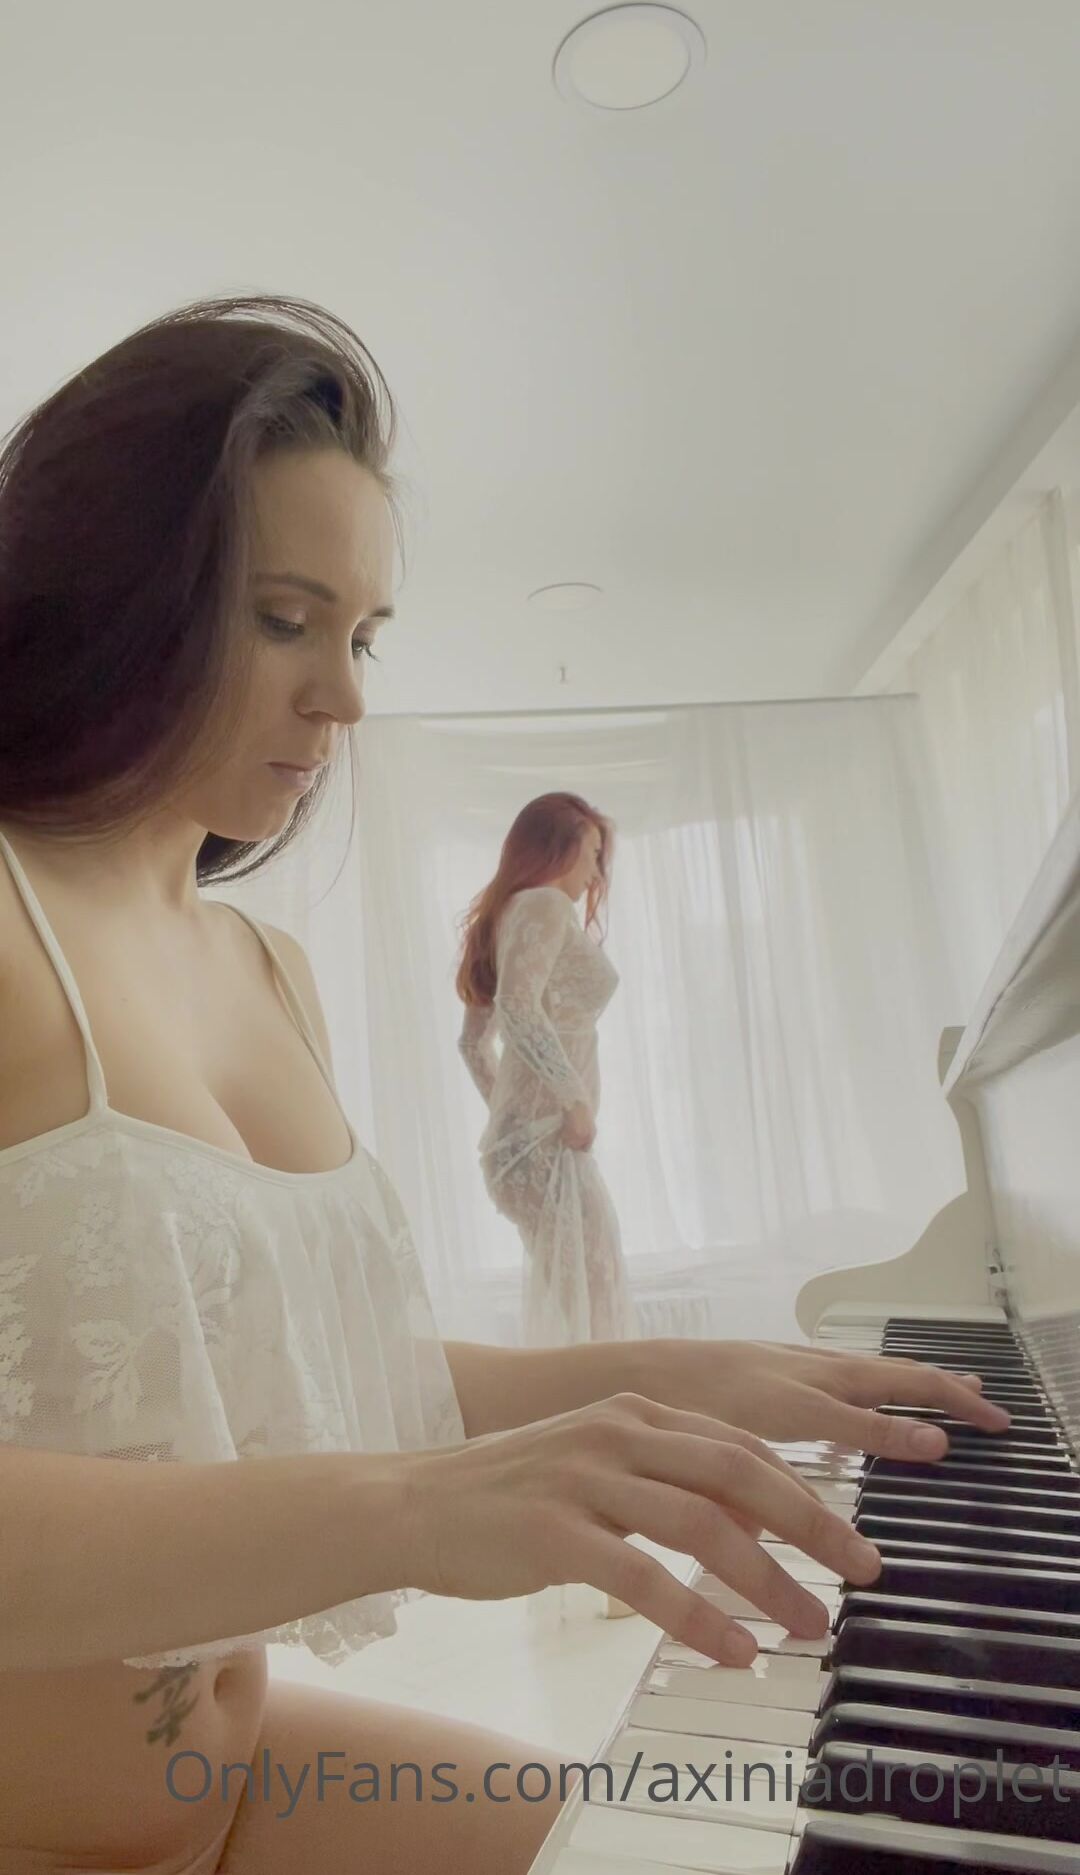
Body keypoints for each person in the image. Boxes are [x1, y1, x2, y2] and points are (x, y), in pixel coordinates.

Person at [0, 293, 1009, 1875]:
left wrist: (670, 1378)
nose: (344, 697)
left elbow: (342, 1368)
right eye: (283, 618)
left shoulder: (267, 966)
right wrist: (411, 1505)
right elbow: (380, 1463)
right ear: (108, 593)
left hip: (235, 1781)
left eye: (363, 636)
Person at [456, 795, 636, 1348]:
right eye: (593, 854)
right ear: (560, 845)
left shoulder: (505, 915)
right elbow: (518, 1006)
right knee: (597, 1295)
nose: (596, 873)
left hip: (525, 1144)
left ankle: (601, 1398)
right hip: (544, 1143)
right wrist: (570, 1101)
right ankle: (604, 1399)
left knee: (585, 1297)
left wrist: (513, 1119)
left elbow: (472, 1045)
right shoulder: (545, 904)